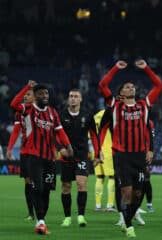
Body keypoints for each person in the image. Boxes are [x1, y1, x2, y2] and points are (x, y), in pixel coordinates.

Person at [98, 59, 162, 238]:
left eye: (132, 86)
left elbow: (158, 85)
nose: (131, 88)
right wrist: (115, 69)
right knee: (126, 192)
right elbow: (102, 84)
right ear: (121, 92)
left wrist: (147, 69)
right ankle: (128, 225)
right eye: (127, 87)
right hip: (122, 155)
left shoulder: (144, 105)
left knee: (138, 193)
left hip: (139, 155)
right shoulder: (115, 106)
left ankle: (129, 216)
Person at [10, 81, 74, 235]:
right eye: (41, 93)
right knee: (37, 188)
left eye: (46, 93)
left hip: (50, 158)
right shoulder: (28, 109)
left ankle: (41, 219)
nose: (44, 96)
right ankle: (40, 221)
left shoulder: (52, 112)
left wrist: (68, 145)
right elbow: (13, 104)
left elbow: (59, 131)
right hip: (34, 157)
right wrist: (27, 87)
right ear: (35, 96)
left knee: (46, 190)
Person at [59, 89, 101, 227]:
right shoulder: (61, 114)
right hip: (66, 156)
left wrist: (97, 152)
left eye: (76, 96)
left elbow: (94, 135)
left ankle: (81, 216)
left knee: (81, 184)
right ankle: (67, 217)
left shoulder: (87, 115)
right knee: (66, 186)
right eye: (70, 96)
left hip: (82, 155)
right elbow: (54, 134)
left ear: (81, 99)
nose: (72, 99)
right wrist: (60, 149)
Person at [6, 88, 35, 221]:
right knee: (28, 181)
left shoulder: (37, 110)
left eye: (28, 95)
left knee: (39, 183)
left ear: (35, 97)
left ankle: (40, 211)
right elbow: (16, 131)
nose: (25, 97)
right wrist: (10, 148)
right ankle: (31, 213)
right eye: (24, 95)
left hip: (39, 151)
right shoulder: (20, 112)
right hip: (25, 151)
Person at [94, 108, 116, 212]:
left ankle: (98, 205)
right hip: (108, 150)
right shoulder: (111, 114)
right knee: (112, 177)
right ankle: (109, 205)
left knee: (100, 177)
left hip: (97, 150)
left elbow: (91, 134)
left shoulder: (96, 116)